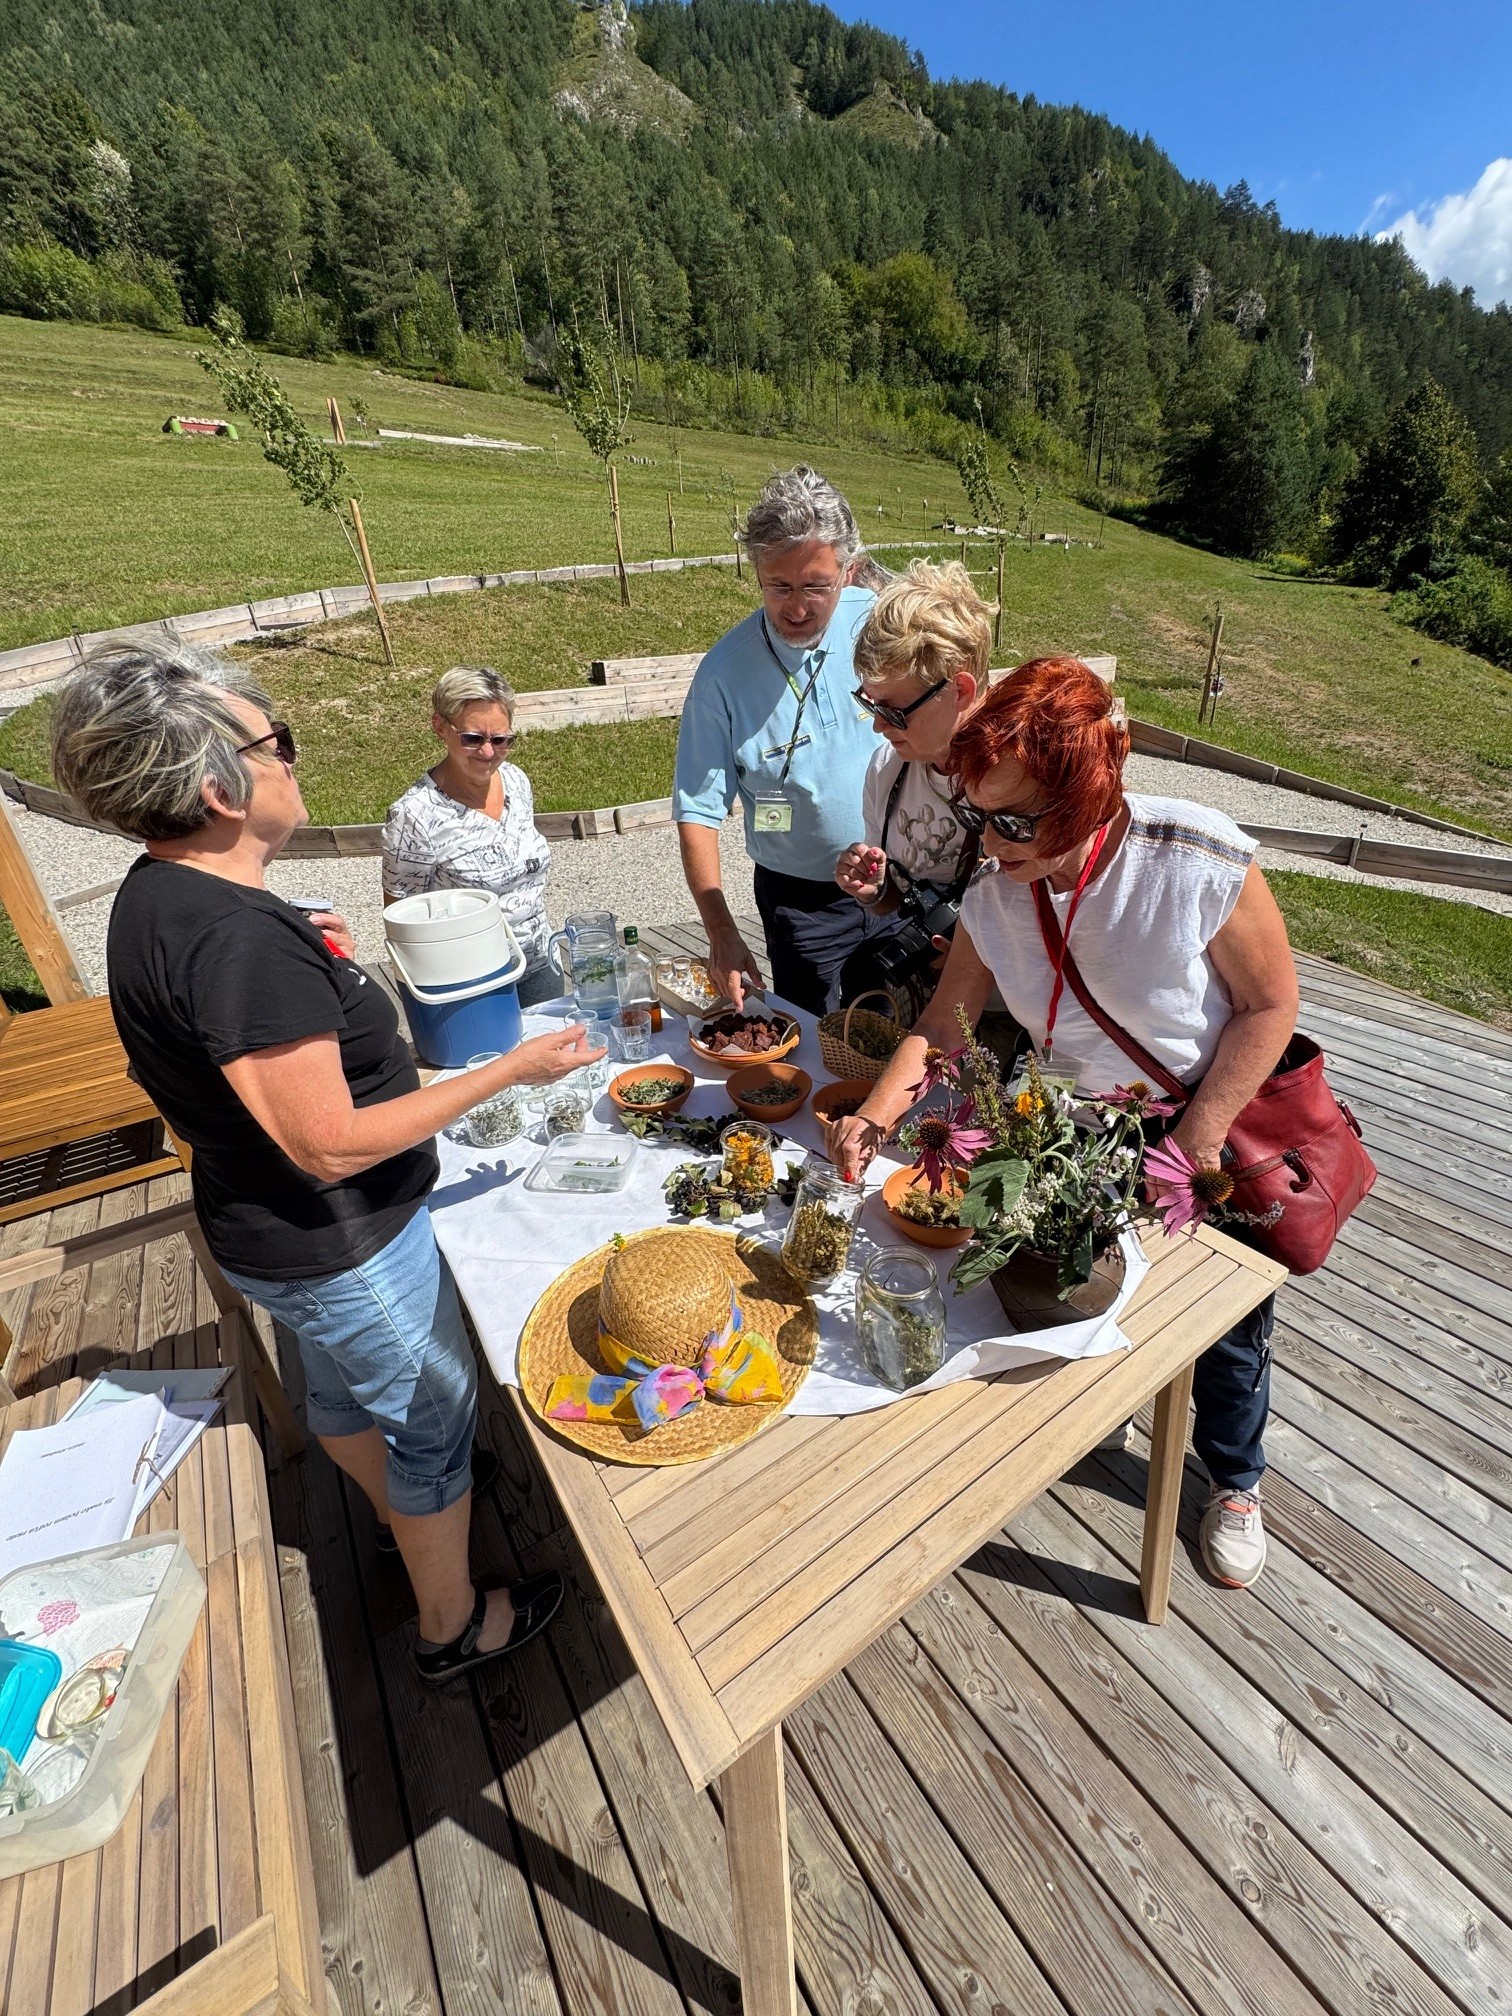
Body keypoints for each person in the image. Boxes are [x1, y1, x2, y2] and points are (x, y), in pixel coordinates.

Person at [51, 642, 606, 1679]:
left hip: (266, 1238)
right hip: (346, 1247)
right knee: (435, 1418)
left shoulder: (165, 895)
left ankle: (405, 1517)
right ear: (219, 789)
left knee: (347, 1398)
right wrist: (511, 1069)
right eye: (280, 744)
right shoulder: (239, 948)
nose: (294, 760)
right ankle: (452, 1623)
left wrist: (295, 943)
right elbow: (328, 1139)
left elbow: (222, 1021)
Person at [825, 657, 1300, 1591]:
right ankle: (1107, 1406)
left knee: (1225, 1326)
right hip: (1065, 1131)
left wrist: (1196, 1141)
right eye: (978, 816)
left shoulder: (1194, 856)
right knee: (1068, 1286)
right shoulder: (995, 893)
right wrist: (878, 1114)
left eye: (1012, 819)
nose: (991, 841)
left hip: (1194, 1122)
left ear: (1087, 791)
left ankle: (1236, 1479)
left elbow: (1269, 1006)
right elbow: (938, 1027)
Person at [673, 465, 891, 1015]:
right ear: (756, 573)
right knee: (820, 1047)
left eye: (817, 586)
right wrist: (721, 929)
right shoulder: (721, 677)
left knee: (911, 1037)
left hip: (900, 884)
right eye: (780, 587)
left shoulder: (882, 622)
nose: (797, 608)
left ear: (850, 570)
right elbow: (698, 812)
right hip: (802, 906)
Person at [832, 559, 989, 1013]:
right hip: (927, 1009)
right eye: (870, 703)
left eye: (896, 710)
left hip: (1009, 1021)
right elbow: (894, 905)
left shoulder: (1019, 781)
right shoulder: (889, 767)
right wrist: (877, 889)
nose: (879, 726)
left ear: (959, 690)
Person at [383, 665, 557, 1005]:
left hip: (540, 965)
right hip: (471, 986)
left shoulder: (516, 781)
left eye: (501, 740)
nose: (488, 753)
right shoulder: (415, 815)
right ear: (440, 728)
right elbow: (402, 925)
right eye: (473, 739)